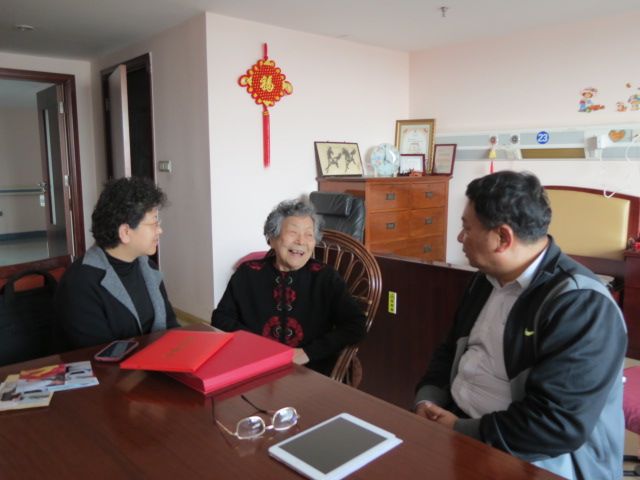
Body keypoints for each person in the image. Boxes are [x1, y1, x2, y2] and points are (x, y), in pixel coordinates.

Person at [414, 171, 626, 479]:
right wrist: (427, 399)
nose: (460, 238)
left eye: (466, 228)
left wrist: (460, 429)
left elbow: (555, 425)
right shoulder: (485, 279)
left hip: (537, 456)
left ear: (503, 238)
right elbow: (450, 351)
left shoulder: (581, 305)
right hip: (461, 427)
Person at [211, 197, 366, 375]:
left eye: (309, 235)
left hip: (310, 371)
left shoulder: (325, 277)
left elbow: (356, 325)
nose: (301, 241)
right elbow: (221, 318)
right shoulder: (248, 273)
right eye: (293, 232)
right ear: (272, 238)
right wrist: (257, 346)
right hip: (254, 363)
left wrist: (307, 353)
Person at [55, 176, 178, 349]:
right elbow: (99, 354)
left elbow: (170, 325)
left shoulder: (148, 267)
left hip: (158, 360)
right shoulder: (80, 283)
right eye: (153, 223)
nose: (160, 230)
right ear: (125, 232)